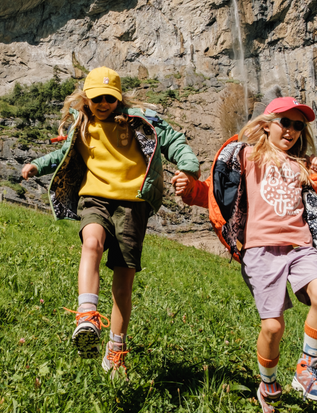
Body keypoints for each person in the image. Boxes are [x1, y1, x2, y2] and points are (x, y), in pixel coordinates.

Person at [21, 66, 200, 376]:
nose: (103, 104)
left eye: (109, 98)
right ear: (85, 99)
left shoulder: (139, 119)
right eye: (96, 98)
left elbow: (173, 140)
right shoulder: (82, 124)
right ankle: (87, 315)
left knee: (123, 279)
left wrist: (188, 167)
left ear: (119, 98)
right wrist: (38, 164)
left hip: (133, 204)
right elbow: (63, 152)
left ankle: (115, 349)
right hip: (95, 197)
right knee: (91, 243)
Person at [174, 96, 317, 413]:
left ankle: (307, 370)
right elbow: (218, 191)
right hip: (260, 251)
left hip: (300, 247)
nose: (290, 130)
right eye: (284, 122)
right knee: (273, 328)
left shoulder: (303, 165)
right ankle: (268, 384)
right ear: (267, 125)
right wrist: (191, 190)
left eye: (298, 125)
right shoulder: (248, 156)